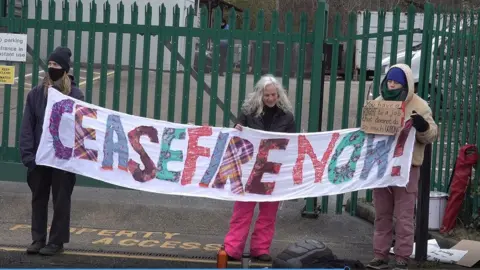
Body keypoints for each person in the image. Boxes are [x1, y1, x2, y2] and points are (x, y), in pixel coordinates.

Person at [367, 64, 438, 270]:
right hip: (382, 169)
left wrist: (423, 127)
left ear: (405, 83)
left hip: (407, 169)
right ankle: (380, 254)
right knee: (382, 213)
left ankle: (402, 257)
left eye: (397, 82)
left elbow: (432, 134)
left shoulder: (420, 106)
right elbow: (367, 131)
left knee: (404, 216)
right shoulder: (378, 103)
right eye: (390, 81)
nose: (392, 84)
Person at [19, 46, 85, 256]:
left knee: (61, 200)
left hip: (63, 160)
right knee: (38, 198)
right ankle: (38, 239)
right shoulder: (36, 94)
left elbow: (81, 127)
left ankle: (56, 241)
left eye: (56, 65)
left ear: (65, 69)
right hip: (40, 158)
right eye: (49, 64)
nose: (51, 68)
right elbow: (27, 126)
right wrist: (28, 156)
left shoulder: (75, 95)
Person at [223, 74, 295, 262]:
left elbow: (293, 143)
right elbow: (237, 131)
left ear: (279, 95)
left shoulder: (287, 116)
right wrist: (237, 128)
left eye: (274, 95)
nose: (271, 99)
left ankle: (260, 248)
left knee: (268, 213)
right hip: (249, 169)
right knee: (242, 210)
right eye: (267, 95)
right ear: (260, 96)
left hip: (272, 170)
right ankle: (232, 247)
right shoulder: (248, 112)